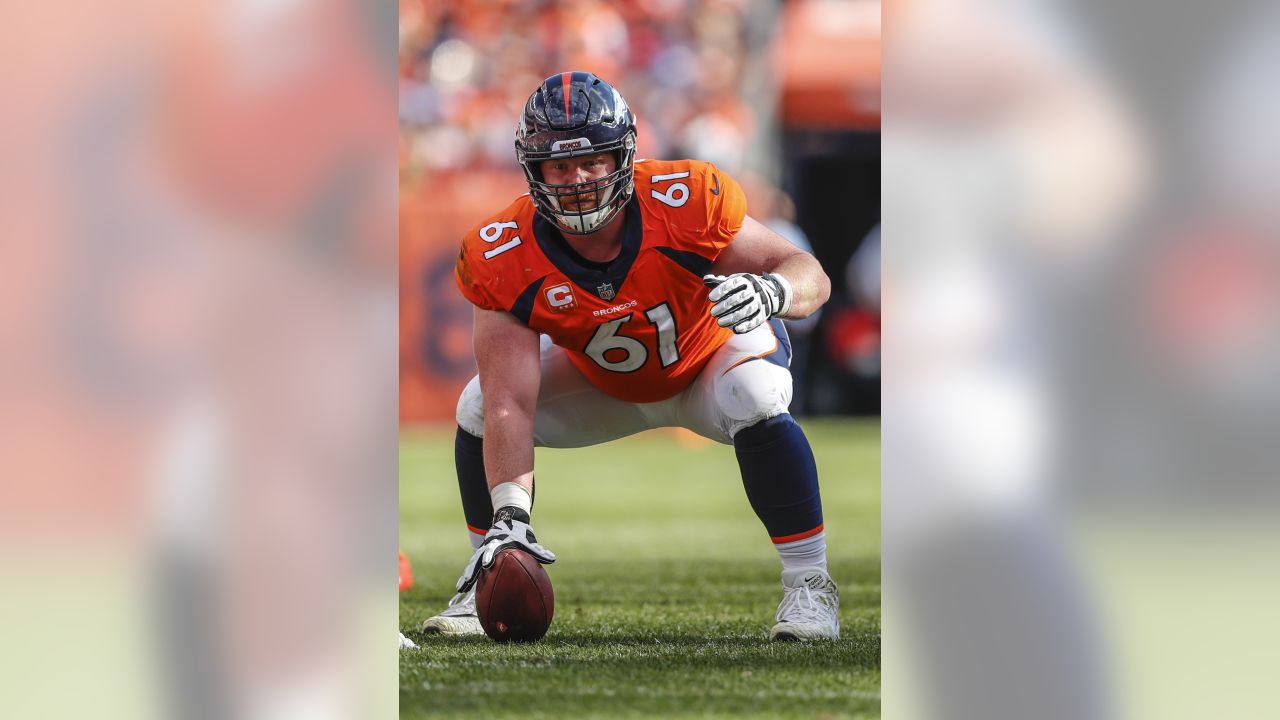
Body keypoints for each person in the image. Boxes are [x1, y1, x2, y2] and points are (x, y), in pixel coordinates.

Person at [422, 71, 837, 641]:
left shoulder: (686, 198)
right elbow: (507, 402)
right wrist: (511, 512)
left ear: (624, 156)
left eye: (593, 161)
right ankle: (487, 576)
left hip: (709, 363)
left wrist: (775, 293)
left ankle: (809, 586)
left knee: (757, 394)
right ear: (533, 169)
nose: (579, 180)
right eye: (560, 166)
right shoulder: (503, 251)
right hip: (608, 384)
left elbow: (807, 271)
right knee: (475, 403)